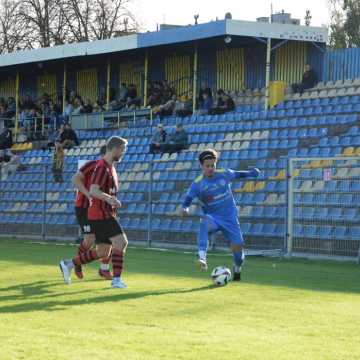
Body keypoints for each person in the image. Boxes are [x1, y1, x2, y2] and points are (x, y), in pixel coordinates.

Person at [60, 136, 129, 289]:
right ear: (115, 148)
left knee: (104, 251)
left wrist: (112, 202)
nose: (124, 153)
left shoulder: (110, 168)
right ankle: (116, 280)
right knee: (121, 242)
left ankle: (69, 264)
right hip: (100, 213)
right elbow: (93, 190)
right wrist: (110, 199)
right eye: (123, 149)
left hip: (101, 213)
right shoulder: (102, 167)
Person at [181, 149, 260, 281]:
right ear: (201, 166)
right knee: (205, 222)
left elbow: (239, 174)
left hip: (230, 219)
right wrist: (185, 208)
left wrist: (252, 173)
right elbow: (187, 200)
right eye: (207, 166)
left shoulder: (224, 174)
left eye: (213, 165)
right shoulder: (197, 183)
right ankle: (201, 257)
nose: (211, 168)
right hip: (213, 218)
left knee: (238, 253)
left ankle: (237, 267)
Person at [71, 145, 112, 280]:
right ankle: (77, 263)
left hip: (101, 209)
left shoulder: (110, 169)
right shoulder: (93, 165)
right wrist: (88, 194)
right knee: (90, 239)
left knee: (112, 237)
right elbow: (75, 179)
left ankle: (104, 269)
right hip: (84, 207)